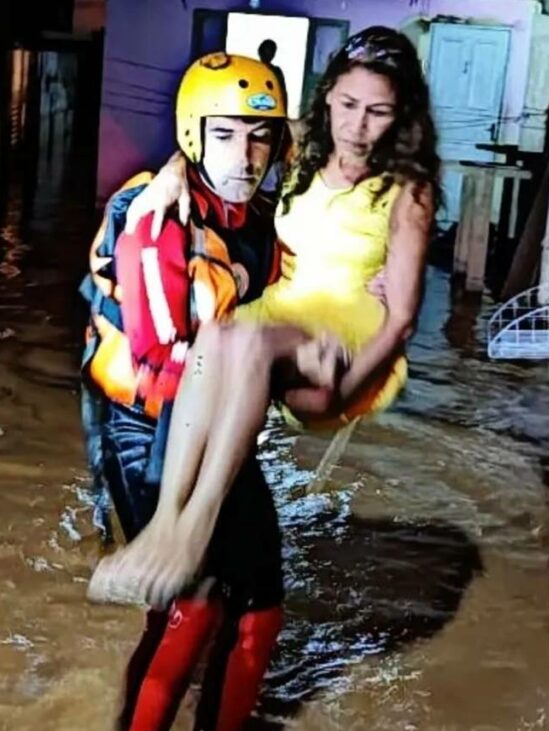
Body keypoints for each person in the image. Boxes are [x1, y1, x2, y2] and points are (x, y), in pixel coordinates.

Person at [90, 26, 440, 618]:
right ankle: (167, 526)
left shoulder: (409, 191)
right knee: (219, 335)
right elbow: (229, 135)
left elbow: (402, 319)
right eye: (348, 105)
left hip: (339, 341)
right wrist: (175, 169)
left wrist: (346, 391)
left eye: (378, 112)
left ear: (400, 116)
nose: (357, 126)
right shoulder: (303, 149)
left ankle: (193, 525)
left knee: (243, 342)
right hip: (278, 318)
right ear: (327, 97)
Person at [80, 52, 325, 731]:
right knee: (198, 599)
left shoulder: (260, 217)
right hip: (147, 425)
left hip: (218, 415)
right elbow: (167, 350)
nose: (243, 155)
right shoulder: (152, 213)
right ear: (193, 135)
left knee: (262, 608)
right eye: (224, 135)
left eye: (259, 137)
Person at [258, 39, 289, 115]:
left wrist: (284, 111)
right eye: (267, 50)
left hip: (272, 108)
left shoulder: (276, 71)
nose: (269, 53)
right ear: (260, 51)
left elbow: (282, 92)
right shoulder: (253, 69)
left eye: (272, 51)